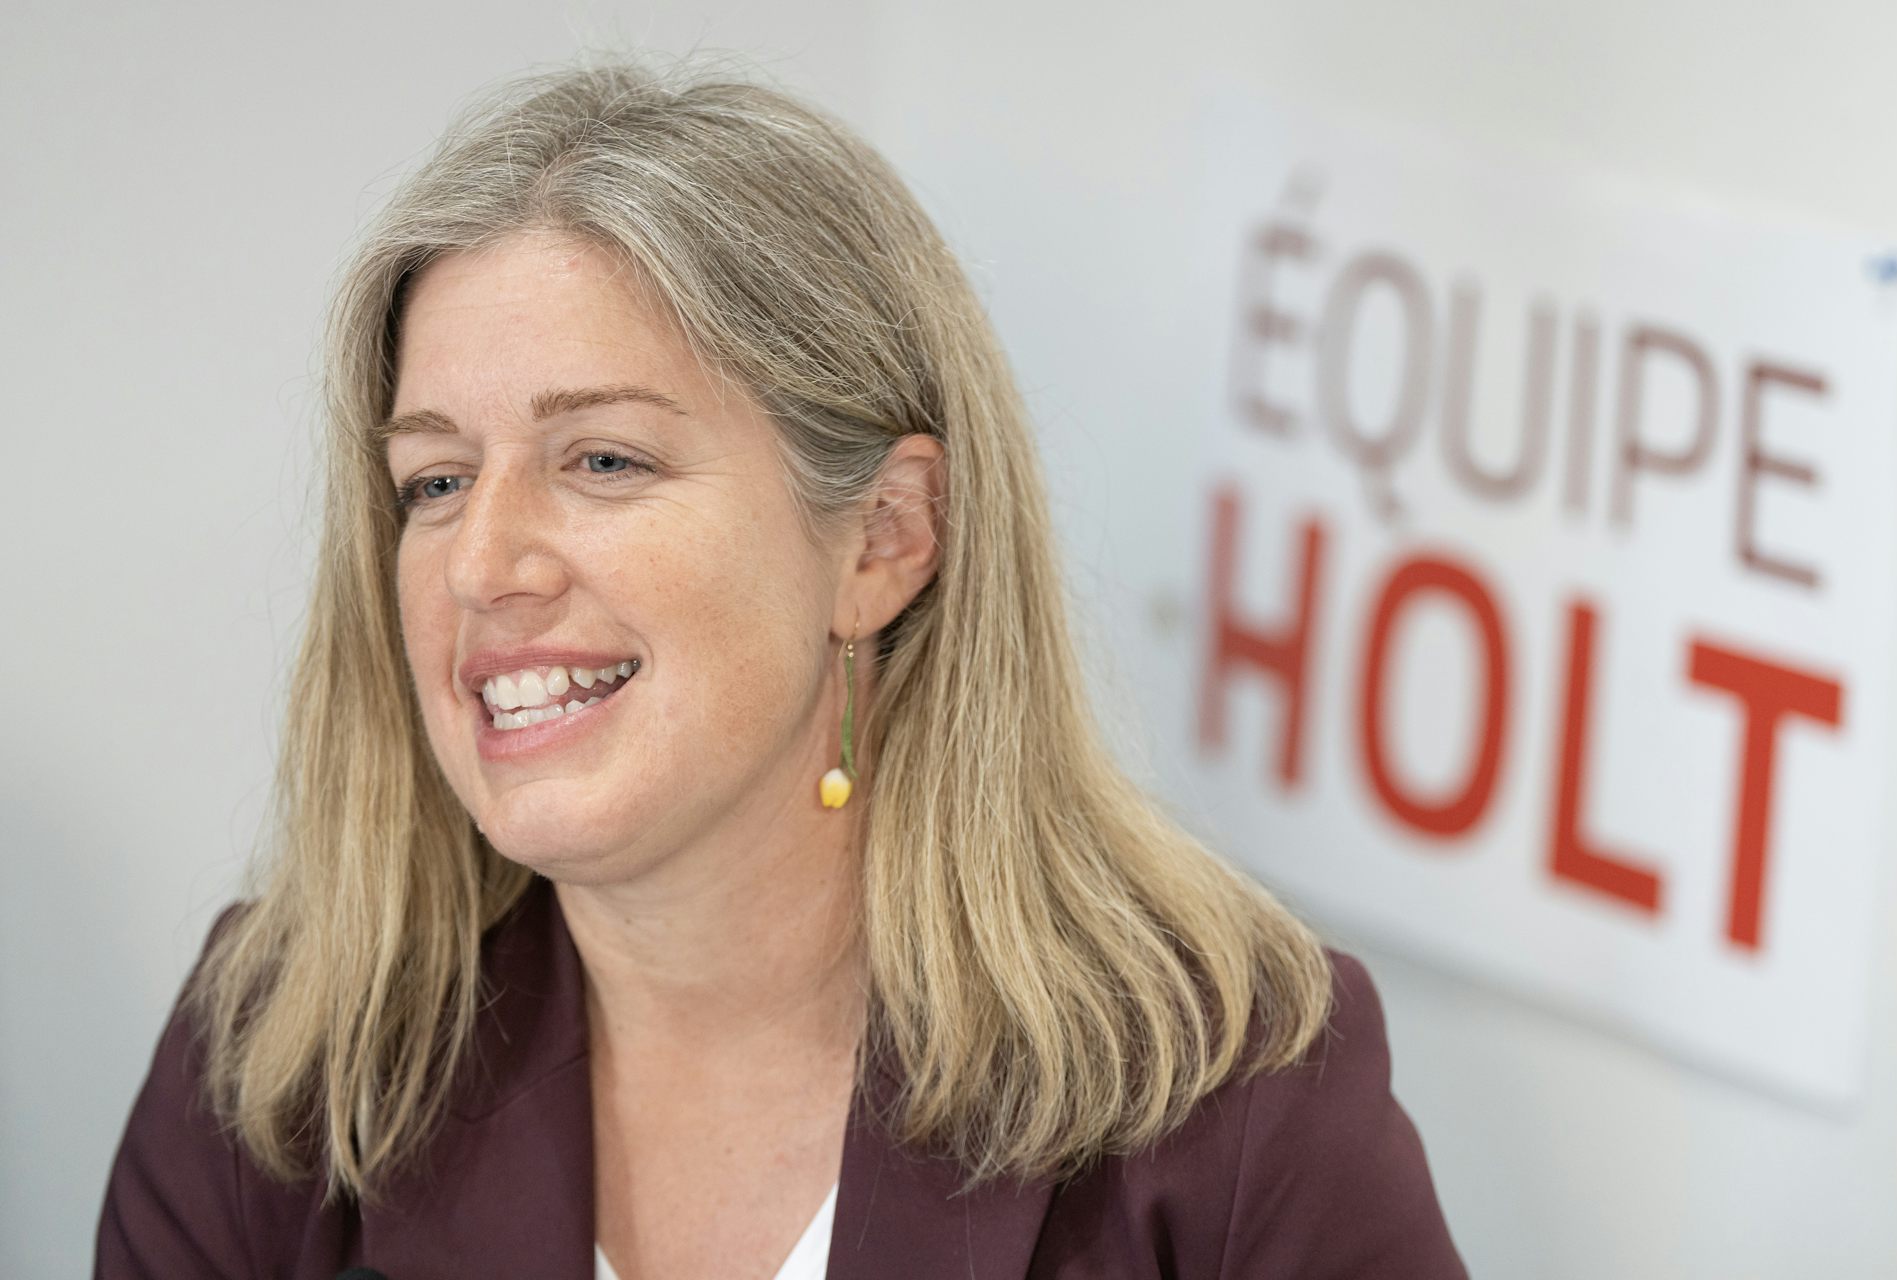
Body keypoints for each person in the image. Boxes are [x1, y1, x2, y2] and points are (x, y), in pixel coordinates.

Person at [94, 52, 1467, 1279]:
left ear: (884, 538)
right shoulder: (276, 1051)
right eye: (436, 480)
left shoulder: (1235, 1095)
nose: (479, 564)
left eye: (604, 460)